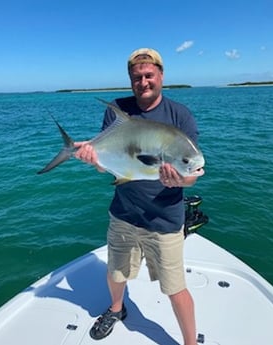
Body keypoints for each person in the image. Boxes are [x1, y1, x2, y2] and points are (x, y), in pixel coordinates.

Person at [74, 48, 204, 345]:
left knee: (175, 287)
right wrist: (95, 160)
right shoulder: (117, 109)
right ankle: (116, 310)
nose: (143, 82)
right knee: (116, 272)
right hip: (124, 212)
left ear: (161, 75)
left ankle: (190, 342)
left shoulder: (179, 116)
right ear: (130, 80)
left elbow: (193, 172)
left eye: (148, 75)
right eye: (137, 77)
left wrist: (180, 181)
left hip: (165, 219)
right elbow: (114, 161)